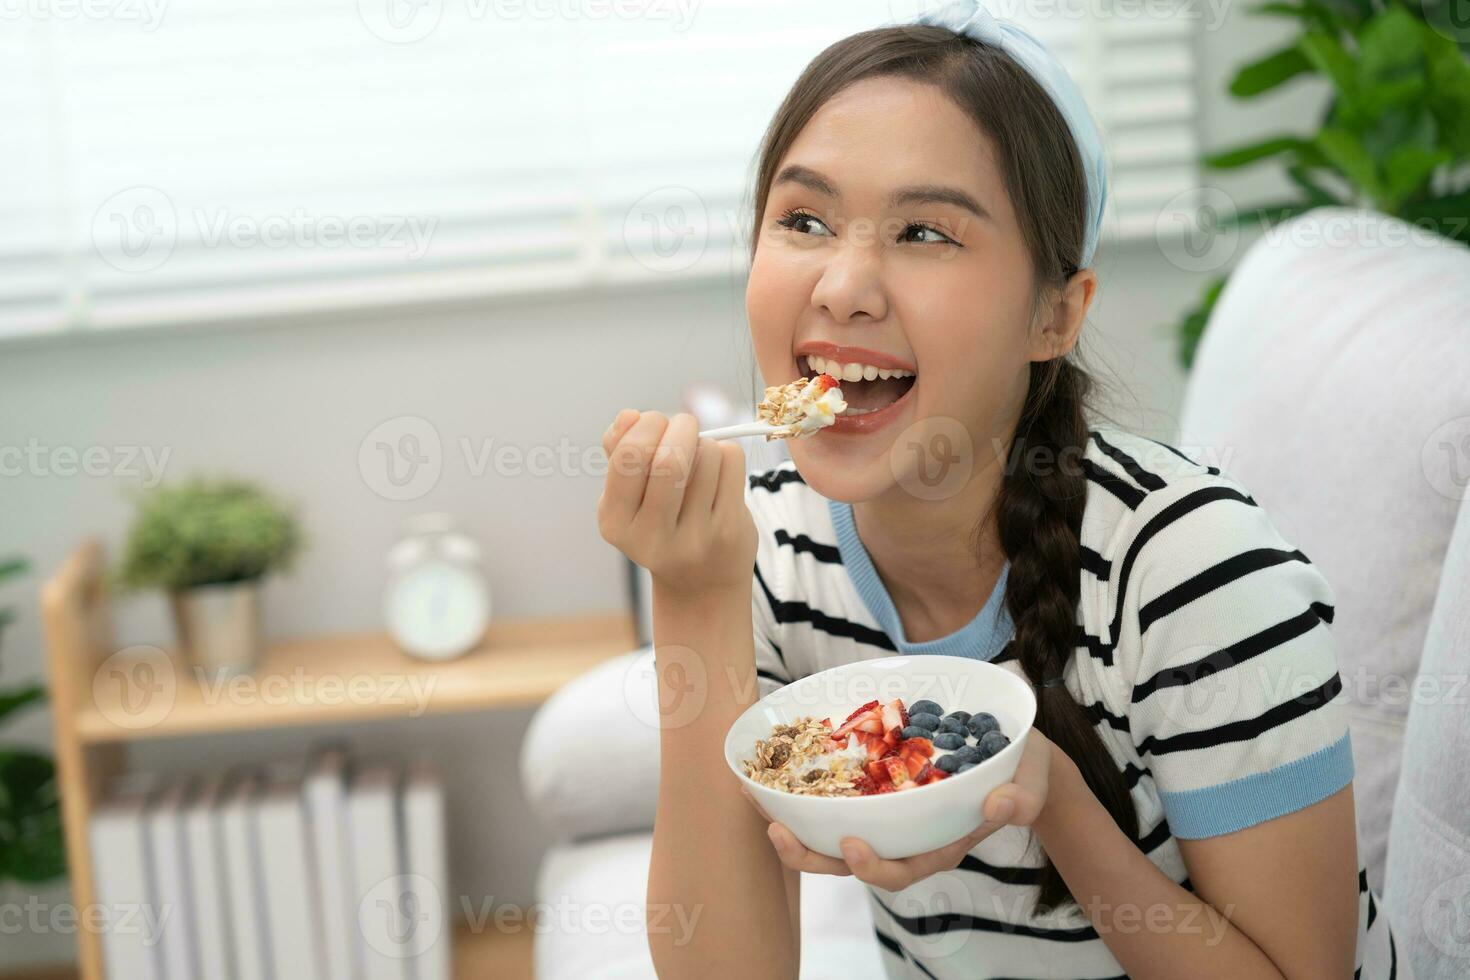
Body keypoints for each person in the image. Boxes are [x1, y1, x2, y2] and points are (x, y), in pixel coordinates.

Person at [597, 1, 1403, 975]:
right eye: (803, 219)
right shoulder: (760, 548)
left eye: (926, 232)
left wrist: (1054, 799)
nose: (843, 284)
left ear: (1055, 315)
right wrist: (691, 595)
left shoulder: (1199, 573)